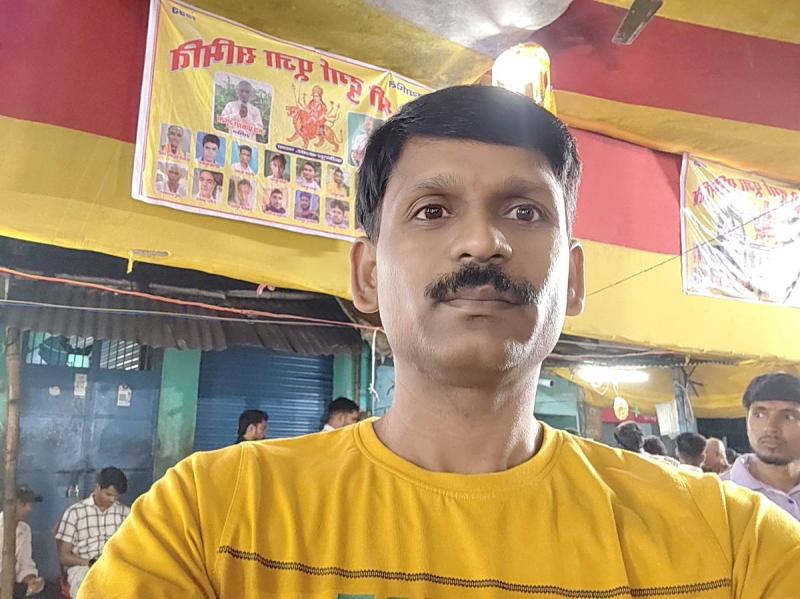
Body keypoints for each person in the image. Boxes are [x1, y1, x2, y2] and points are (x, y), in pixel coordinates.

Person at [79, 86, 800, 597]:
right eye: (431, 210)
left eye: (524, 211)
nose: (482, 241)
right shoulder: (209, 520)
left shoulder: (734, 544)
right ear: (366, 275)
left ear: (573, 280)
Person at [722, 373, 800, 521]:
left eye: (788, 417)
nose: (770, 428)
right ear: (746, 420)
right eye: (759, 415)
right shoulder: (720, 494)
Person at [56, 467, 129, 597]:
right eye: (108, 494)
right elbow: (64, 556)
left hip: (115, 567)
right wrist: (90, 563)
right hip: (84, 567)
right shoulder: (75, 513)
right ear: (98, 487)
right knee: (87, 590)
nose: (112, 500)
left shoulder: (125, 514)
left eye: (116, 496)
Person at [0, 486, 47, 598]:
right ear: (9, 505)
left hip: (12, 583)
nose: (29, 509)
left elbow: (25, 564)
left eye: (30, 504)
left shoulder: (25, 529)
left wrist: (31, 580)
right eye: (23, 504)